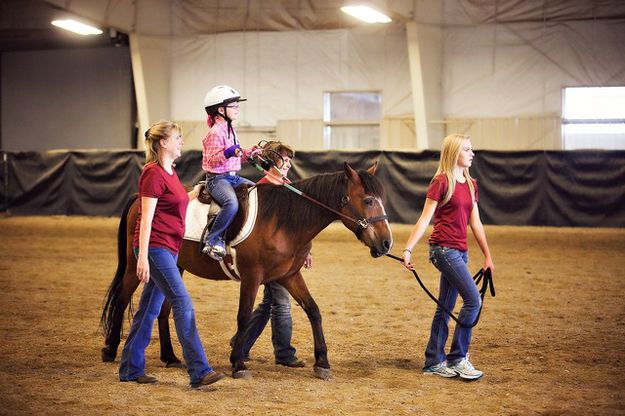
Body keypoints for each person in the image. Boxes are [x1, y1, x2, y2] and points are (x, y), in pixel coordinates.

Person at [119, 120, 225, 388]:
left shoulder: (169, 171)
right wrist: (142, 257)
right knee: (183, 303)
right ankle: (199, 371)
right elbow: (146, 219)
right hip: (155, 248)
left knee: (149, 308)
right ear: (163, 143)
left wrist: (197, 191)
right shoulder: (152, 174)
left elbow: (175, 201)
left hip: (169, 247)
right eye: (177, 137)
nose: (181, 141)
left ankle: (131, 368)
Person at [402, 133, 494, 381]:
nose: (472, 153)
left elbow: (476, 222)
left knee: (445, 307)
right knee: (473, 301)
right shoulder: (441, 182)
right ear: (454, 153)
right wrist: (408, 248)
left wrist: (487, 256)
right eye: (467, 149)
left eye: (471, 149)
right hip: (443, 250)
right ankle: (458, 358)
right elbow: (424, 219)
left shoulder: (471, 184)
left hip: (460, 251)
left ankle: (433, 361)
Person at [238, 141, 312, 368]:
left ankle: (240, 342)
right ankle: (284, 354)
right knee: (281, 303)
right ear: (272, 162)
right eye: (285, 159)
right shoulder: (260, 190)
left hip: (287, 257)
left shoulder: (289, 186)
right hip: (268, 257)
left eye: (290, 159)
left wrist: (307, 249)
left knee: (270, 302)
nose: (289, 164)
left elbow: (299, 225)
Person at [201, 85, 257, 260]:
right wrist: (229, 152)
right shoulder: (215, 132)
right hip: (217, 180)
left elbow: (234, 157)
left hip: (233, 176)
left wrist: (249, 153)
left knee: (257, 191)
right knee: (230, 203)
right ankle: (213, 240)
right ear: (220, 110)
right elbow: (211, 160)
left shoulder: (230, 129)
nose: (237, 109)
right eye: (234, 106)